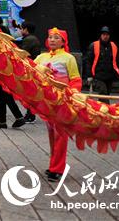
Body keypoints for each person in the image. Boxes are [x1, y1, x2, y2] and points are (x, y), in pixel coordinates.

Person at [35, 28, 82, 182]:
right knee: (52, 135)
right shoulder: (41, 57)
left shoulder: (69, 58)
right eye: (50, 37)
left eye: (56, 37)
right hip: (48, 102)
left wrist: (72, 93)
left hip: (62, 102)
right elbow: (29, 71)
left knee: (61, 135)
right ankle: (54, 165)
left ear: (63, 41)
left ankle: (57, 169)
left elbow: (75, 79)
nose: (52, 40)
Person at [0, 18, 26, 129]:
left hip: (1, 73)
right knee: (3, 95)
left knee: (3, 95)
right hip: (6, 73)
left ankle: (16, 117)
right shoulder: (9, 45)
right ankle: (4, 120)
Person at [83, 26, 119, 98]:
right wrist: (89, 75)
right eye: (103, 34)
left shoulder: (113, 46)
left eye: (107, 35)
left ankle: (102, 108)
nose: (105, 36)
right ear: (100, 35)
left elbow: (118, 61)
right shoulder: (94, 45)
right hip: (98, 76)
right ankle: (108, 108)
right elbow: (88, 61)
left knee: (106, 95)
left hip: (110, 76)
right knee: (103, 93)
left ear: (109, 36)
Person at [18, 22, 41, 122]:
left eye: (21, 29)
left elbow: (22, 54)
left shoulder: (29, 40)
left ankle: (30, 114)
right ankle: (30, 114)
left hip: (29, 69)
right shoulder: (31, 39)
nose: (20, 31)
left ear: (26, 29)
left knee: (29, 93)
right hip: (31, 68)